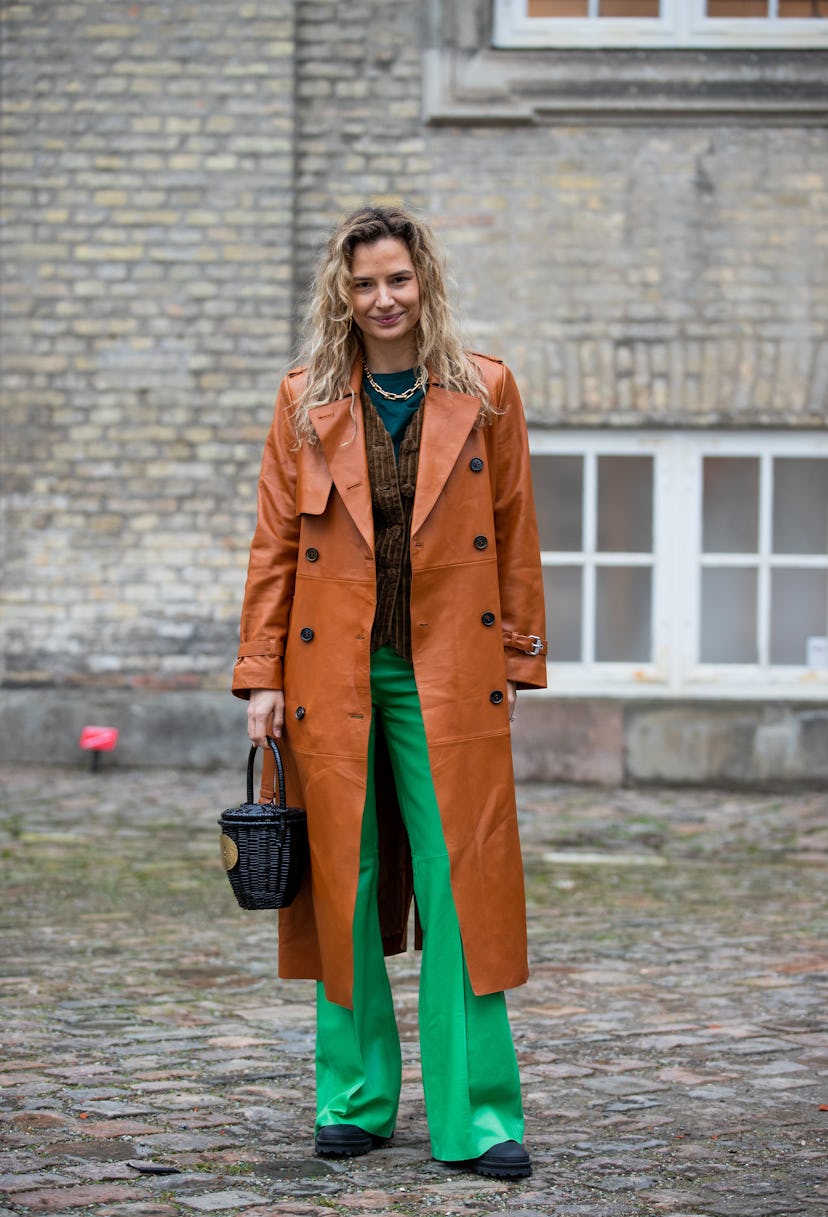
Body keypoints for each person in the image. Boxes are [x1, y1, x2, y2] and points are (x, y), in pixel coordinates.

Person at [232, 204, 547, 1180]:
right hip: (332, 675)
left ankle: (480, 1114)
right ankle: (355, 1096)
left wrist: (521, 657)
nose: (382, 299)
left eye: (397, 280)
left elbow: (517, 526)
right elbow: (277, 545)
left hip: (450, 671)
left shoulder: (486, 390)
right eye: (364, 282)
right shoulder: (305, 400)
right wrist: (260, 675)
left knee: (465, 885)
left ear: (424, 282)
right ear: (344, 291)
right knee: (345, 879)